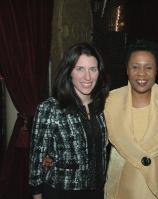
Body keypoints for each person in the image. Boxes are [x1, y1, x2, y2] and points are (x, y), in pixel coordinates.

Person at [29, 42, 109, 199]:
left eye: (93, 69)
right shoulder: (50, 108)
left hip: (96, 190)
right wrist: (36, 194)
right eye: (80, 69)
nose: (87, 77)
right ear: (69, 72)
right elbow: (37, 158)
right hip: (61, 191)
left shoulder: (101, 105)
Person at [104, 40, 158, 199]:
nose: (141, 74)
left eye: (148, 67)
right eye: (135, 67)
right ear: (127, 70)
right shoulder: (109, 101)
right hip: (122, 189)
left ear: (156, 70)